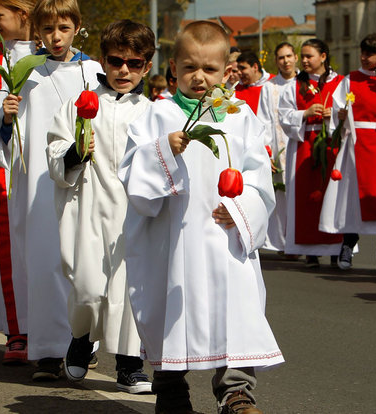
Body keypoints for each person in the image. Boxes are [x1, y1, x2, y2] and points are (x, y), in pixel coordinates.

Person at [119, 20, 283, 414]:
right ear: (173, 67)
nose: (199, 77)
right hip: (170, 238)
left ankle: (236, 391)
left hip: (227, 237)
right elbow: (131, 173)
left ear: (227, 72)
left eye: (209, 70)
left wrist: (242, 208)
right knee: (168, 308)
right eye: (190, 67)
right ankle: (171, 389)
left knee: (235, 309)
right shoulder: (156, 116)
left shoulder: (239, 116)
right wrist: (162, 151)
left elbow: (258, 175)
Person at [0, 0, 102, 380]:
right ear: (37, 30)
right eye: (48, 30)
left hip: (82, 183)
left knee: (82, 266)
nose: (55, 37)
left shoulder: (93, 70)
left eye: (63, 29)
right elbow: (2, 136)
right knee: (44, 263)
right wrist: (7, 116)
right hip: (36, 184)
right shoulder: (25, 73)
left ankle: (83, 342)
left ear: (76, 27)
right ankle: (49, 353)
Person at [47, 19, 153, 393]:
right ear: (103, 62)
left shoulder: (152, 113)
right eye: (116, 60)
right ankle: (80, 338)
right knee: (89, 288)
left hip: (132, 215)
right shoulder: (79, 105)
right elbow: (55, 148)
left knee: (129, 291)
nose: (124, 70)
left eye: (135, 63)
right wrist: (75, 152)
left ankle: (129, 364)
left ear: (148, 66)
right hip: (89, 209)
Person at [0, 0, 38, 366]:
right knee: (11, 251)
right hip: (8, 166)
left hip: (51, 169)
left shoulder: (57, 56)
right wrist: (2, 119)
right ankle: (17, 330)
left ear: (23, 14)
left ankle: (63, 333)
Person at [320, 33, 376, 272]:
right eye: (363, 52)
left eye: (371, 54)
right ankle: (347, 247)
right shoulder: (350, 79)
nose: (365, 58)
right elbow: (338, 108)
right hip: (357, 144)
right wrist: (341, 116)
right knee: (352, 200)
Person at [279, 38, 344, 267]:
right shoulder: (294, 86)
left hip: (332, 145)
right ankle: (311, 251)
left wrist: (334, 116)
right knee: (307, 198)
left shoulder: (341, 82)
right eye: (303, 56)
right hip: (305, 145)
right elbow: (284, 116)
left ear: (323, 57)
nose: (304, 60)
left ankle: (337, 250)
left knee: (333, 197)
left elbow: (350, 111)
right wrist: (304, 114)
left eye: (309, 56)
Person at [258, 42, 299, 253]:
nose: (286, 61)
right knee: (282, 198)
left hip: (300, 146)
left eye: (289, 56)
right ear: (276, 61)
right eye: (281, 57)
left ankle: (303, 241)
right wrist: (267, 152)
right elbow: (263, 120)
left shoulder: (304, 83)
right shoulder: (269, 87)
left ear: (296, 57)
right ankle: (285, 243)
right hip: (278, 148)